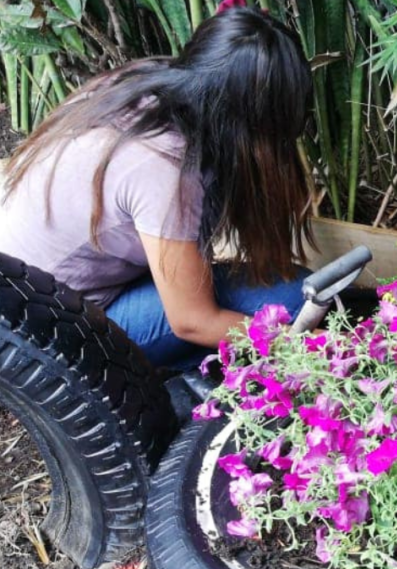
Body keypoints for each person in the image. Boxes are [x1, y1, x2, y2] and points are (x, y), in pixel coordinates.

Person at [0, 6, 315, 371]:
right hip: (48, 341)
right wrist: (310, 344)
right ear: (251, 120)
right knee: (290, 303)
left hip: (19, 304)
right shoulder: (167, 169)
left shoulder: (147, 82)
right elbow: (193, 321)